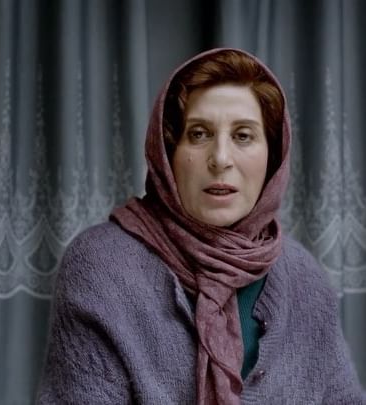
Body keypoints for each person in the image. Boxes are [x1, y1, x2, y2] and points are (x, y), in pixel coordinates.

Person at [36, 48, 365, 404]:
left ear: (272, 156)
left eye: (243, 136)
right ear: (169, 151)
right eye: (198, 134)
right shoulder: (102, 266)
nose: (220, 159)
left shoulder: (304, 278)